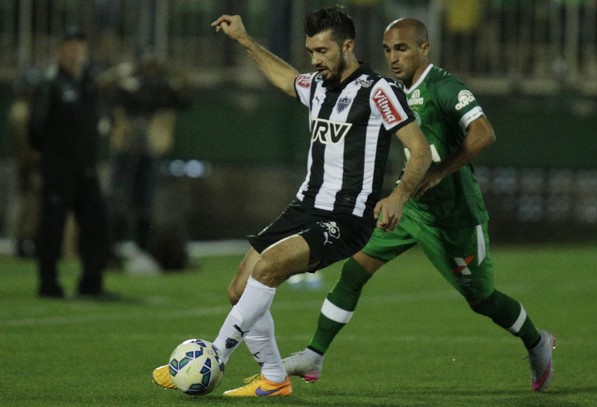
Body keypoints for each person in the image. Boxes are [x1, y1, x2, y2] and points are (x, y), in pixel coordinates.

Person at [152, 6, 432, 397]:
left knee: (268, 268)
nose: (315, 60)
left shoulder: (377, 90)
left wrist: (399, 196)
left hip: (348, 217)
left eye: (322, 51)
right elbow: (287, 80)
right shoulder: (318, 85)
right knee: (239, 290)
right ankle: (274, 377)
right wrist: (246, 41)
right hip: (305, 206)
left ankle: (213, 356)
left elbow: (420, 150)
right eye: (310, 52)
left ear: (347, 46)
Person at [281, 18, 556, 392]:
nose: (393, 57)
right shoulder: (387, 88)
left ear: (424, 49)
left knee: (481, 298)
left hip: (454, 215)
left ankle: (537, 341)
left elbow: (484, 133)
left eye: (403, 48)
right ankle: (314, 356)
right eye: (388, 49)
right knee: (354, 271)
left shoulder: (444, 88)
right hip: (408, 205)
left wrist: (441, 172)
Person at [28, 27, 113, 299]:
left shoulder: (88, 81)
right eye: (70, 45)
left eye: (79, 45)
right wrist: (52, 156)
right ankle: (48, 282)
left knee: (96, 223)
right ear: (61, 49)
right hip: (59, 167)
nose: (75, 51)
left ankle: (91, 281)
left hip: (85, 167)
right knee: (52, 225)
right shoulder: (51, 82)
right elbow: (36, 127)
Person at [105, 52, 190, 272]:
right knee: (117, 203)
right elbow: (107, 91)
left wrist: (173, 83)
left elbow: (182, 100)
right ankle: (110, 252)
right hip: (126, 151)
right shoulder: (126, 87)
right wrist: (121, 78)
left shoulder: (155, 90)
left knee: (145, 207)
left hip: (148, 153)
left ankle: (141, 250)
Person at [7, 68, 42, 258]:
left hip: (25, 164)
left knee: (30, 204)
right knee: (28, 204)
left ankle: (24, 241)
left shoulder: (24, 109)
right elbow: (25, 144)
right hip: (26, 165)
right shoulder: (21, 111)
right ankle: (22, 242)